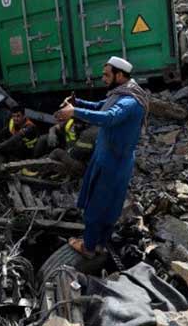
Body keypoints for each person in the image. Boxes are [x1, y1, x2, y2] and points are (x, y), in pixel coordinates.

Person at [56, 57, 149, 258]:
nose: (103, 78)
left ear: (120, 75)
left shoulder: (129, 101)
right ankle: (99, 243)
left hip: (112, 162)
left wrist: (74, 112)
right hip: (111, 159)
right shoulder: (123, 93)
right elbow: (100, 106)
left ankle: (88, 247)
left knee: (98, 205)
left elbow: (109, 118)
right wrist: (77, 102)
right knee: (109, 204)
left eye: (107, 74)